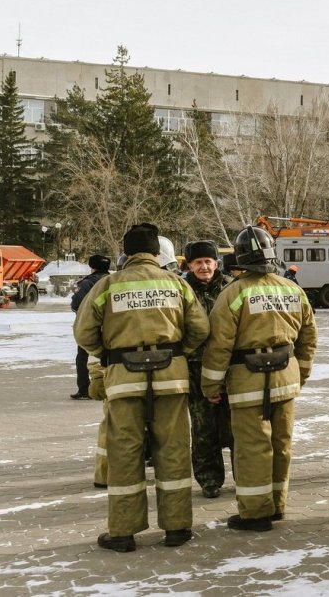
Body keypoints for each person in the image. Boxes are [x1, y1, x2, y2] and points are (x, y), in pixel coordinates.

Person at [74, 223, 210, 553]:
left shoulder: (108, 285)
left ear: (127, 252)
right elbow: (199, 329)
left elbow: (83, 332)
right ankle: (177, 528)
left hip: (124, 380)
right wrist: (178, 353)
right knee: (174, 450)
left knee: (124, 453)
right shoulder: (176, 284)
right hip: (171, 379)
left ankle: (122, 533)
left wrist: (111, 354)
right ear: (154, 253)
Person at [202, 226, 318, 532]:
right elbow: (309, 337)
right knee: (282, 443)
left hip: (246, 382)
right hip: (286, 378)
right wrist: (301, 374)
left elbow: (219, 345)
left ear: (240, 258)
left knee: (253, 447)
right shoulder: (292, 289)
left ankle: (256, 513)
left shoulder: (233, 294)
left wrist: (211, 386)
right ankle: (277, 505)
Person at [182, 240, 235, 499]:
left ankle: (245, 475)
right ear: (189, 265)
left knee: (237, 427)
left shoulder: (231, 288)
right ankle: (209, 480)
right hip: (196, 369)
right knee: (204, 429)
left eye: (208, 261)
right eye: (198, 262)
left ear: (216, 263)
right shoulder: (182, 290)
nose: (204, 266)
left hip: (230, 368)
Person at [70, 254, 112, 400]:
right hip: (111, 326)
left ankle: (84, 389)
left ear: (92, 266)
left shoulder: (87, 283)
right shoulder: (114, 280)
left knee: (82, 356)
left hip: (91, 325)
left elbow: (76, 303)